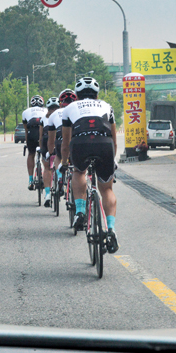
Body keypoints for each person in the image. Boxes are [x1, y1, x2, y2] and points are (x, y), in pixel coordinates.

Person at [59, 77, 119, 253]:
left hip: (80, 145)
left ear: (77, 95)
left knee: (78, 172)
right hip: (105, 145)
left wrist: (64, 162)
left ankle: (80, 212)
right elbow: (114, 139)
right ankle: (111, 229)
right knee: (107, 189)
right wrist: (112, 160)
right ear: (97, 94)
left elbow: (65, 143)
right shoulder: (107, 106)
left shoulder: (69, 108)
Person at [46, 89, 77, 195]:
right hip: (75, 139)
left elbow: (51, 139)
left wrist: (50, 152)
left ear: (60, 103)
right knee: (76, 165)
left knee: (58, 156)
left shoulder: (54, 114)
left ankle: (59, 177)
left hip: (59, 139)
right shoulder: (76, 109)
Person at [38, 97, 60, 207]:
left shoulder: (44, 118)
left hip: (47, 140)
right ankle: (61, 180)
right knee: (61, 161)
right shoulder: (62, 115)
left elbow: (41, 136)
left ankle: (47, 194)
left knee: (47, 168)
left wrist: (40, 148)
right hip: (60, 139)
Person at [22, 95, 46, 191]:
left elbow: (26, 129)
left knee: (31, 154)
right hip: (43, 133)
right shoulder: (46, 110)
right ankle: (46, 176)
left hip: (31, 133)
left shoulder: (26, 112)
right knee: (45, 155)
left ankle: (31, 180)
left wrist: (27, 142)